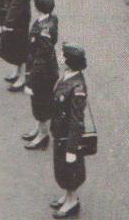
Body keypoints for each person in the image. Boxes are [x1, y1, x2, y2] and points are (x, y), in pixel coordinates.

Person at [50, 43, 89, 219]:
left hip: (68, 136)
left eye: (63, 57)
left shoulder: (77, 87)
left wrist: (72, 148)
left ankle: (71, 200)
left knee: (69, 169)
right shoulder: (68, 75)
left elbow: (76, 121)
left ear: (70, 62)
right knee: (61, 167)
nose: (60, 58)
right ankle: (67, 195)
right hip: (60, 132)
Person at [23, 0, 59, 150]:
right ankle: (39, 129)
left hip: (42, 73)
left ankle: (42, 136)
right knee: (41, 103)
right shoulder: (52, 19)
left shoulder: (43, 30)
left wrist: (31, 80)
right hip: (48, 70)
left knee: (40, 104)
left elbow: (41, 59)